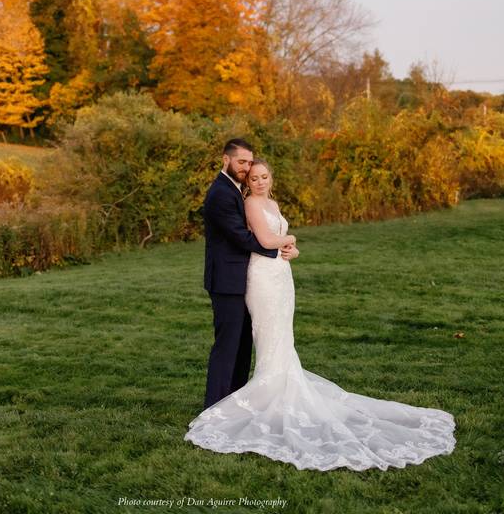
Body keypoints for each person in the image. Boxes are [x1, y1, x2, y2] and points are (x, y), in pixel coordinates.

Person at [186, 158, 457, 472]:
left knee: (283, 335)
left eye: (264, 177)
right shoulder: (250, 204)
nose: (259, 182)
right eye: (254, 178)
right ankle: (269, 389)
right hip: (261, 278)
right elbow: (263, 240)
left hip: (281, 275)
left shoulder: (272, 203)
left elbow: (277, 241)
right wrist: (291, 241)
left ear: (271, 178)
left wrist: (292, 251)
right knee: (268, 333)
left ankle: (282, 384)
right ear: (248, 183)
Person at [200, 139, 298, 410]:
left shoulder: (235, 190)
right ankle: (214, 406)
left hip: (245, 277)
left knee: (242, 345)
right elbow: (243, 236)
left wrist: (283, 248)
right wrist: (279, 246)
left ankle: (235, 401)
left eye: (248, 162)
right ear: (225, 160)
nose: (245, 168)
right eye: (241, 162)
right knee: (227, 345)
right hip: (226, 281)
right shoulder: (221, 193)